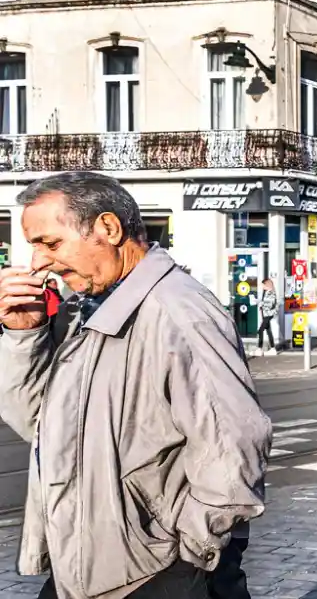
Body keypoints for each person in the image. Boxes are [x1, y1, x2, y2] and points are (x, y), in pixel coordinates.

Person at [0, 172, 270, 599]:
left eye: (50, 243)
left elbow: (233, 443)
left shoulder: (178, 310)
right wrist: (24, 335)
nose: (37, 262)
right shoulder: (81, 310)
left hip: (156, 572)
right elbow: (40, 425)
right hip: (88, 568)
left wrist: (189, 558)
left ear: (108, 228)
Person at [258, 277, 279, 356]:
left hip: (268, 314)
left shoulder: (271, 292)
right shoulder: (267, 292)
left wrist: (261, 304)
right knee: (268, 331)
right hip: (266, 314)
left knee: (260, 330)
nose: (262, 287)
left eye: (263, 285)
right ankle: (273, 348)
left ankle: (259, 348)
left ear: (267, 285)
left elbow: (269, 304)